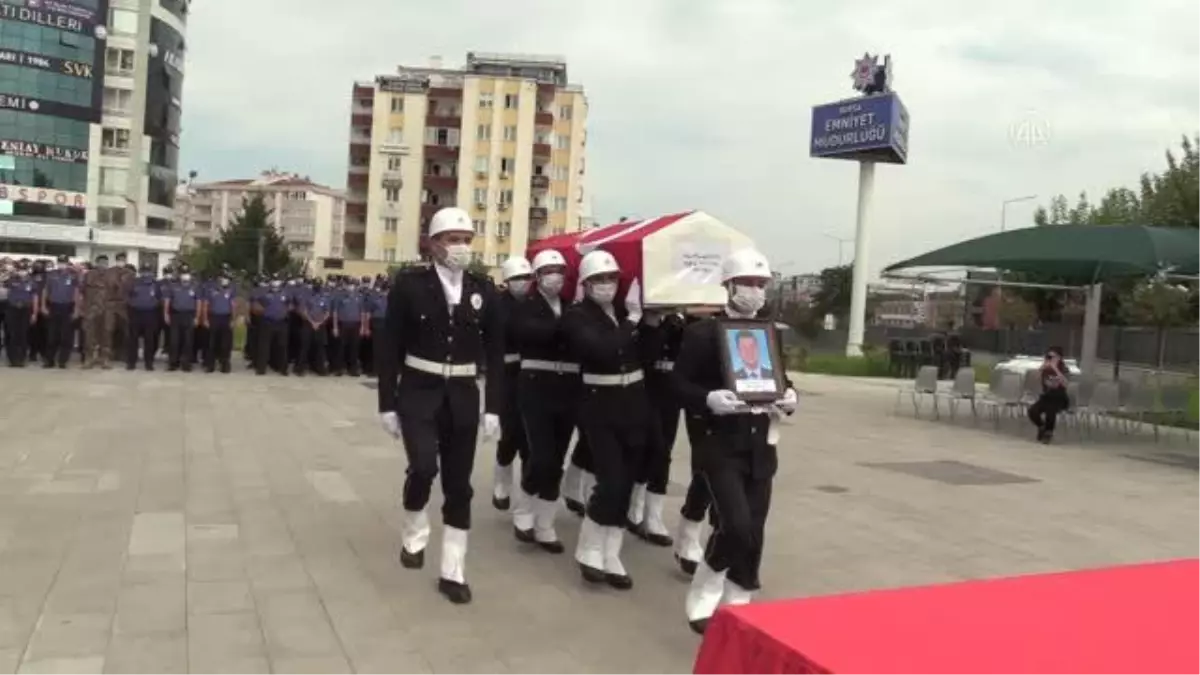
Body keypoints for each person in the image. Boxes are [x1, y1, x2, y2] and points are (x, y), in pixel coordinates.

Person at [376, 206, 504, 605]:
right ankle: (414, 530)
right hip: (418, 389)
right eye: (453, 240)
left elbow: (497, 352)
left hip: (464, 393)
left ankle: (453, 569)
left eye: (466, 240)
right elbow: (389, 345)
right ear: (433, 244)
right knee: (424, 466)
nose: (461, 247)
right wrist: (387, 402)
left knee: (459, 485)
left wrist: (494, 406)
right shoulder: (410, 285)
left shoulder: (483, 289)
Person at [673, 249, 798, 634]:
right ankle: (707, 584)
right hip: (718, 442)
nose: (755, 291)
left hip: (761, 442)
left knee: (755, 527)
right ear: (728, 285)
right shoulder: (701, 333)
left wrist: (791, 397)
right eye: (748, 283)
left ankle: (740, 593)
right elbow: (678, 384)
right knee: (736, 524)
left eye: (761, 284)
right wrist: (707, 399)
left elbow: (780, 378)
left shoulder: (770, 332)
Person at [565, 250, 649, 591]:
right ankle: (588, 549)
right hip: (600, 407)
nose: (606, 285)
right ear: (585, 284)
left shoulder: (623, 311)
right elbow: (600, 350)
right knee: (610, 481)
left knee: (627, 484)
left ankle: (611, 553)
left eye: (611, 278)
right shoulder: (576, 316)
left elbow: (647, 352)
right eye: (598, 280)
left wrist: (654, 321)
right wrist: (632, 322)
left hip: (635, 405)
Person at [509, 250, 580, 552]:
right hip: (535, 387)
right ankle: (524, 510)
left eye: (560, 270)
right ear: (537, 275)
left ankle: (545, 523)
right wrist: (571, 323)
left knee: (558, 459)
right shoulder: (525, 305)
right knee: (541, 455)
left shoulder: (570, 306)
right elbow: (533, 334)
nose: (556, 276)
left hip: (567, 389)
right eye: (549, 270)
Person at [626, 308, 687, 547]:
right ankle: (635, 506)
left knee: (664, 451)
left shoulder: (682, 322)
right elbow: (643, 354)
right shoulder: (641, 320)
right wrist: (653, 323)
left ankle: (653, 515)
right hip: (642, 388)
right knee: (649, 447)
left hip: (670, 392)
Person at [492, 255, 533, 513]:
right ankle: (501, 482)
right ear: (507, 281)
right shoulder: (497, 305)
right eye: (517, 278)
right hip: (506, 373)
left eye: (526, 277)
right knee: (509, 434)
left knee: (529, 437)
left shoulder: (535, 303)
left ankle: (527, 492)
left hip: (532, 374)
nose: (522, 282)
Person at [41, 255, 80, 369]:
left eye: (64, 262)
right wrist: (43, 306)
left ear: (68, 263)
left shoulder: (73, 275)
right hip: (53, 306)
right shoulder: (51, 275)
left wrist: (77, 309)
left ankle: (63, 361)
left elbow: (77, 293)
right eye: (60, 262)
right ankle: (49, 360)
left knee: (66, 336)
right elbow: (45, 290)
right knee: (52, 335)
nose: (61, 264)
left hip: (67, 307)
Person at [1028, 347, 1070, 443]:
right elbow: (1035, 381)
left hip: (1060, 397)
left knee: (1050, 410)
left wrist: (1055, 368)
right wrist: (1041, 368)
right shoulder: (1046, 368)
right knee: (1032, 411)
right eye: (1048, 356)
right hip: (1047, 396)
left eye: (1053, 357)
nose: (1050, 359)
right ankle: (1042, 426)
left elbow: (1066, 384)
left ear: (1059, 358)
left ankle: (1048, 432)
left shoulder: (1063, 368)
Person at [164, 263, 200, 372]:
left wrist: (197, 317)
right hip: (176, 315)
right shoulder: (173, 285)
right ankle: (173, 363)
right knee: (174, 341)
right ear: (179, 274)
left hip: (189, 315)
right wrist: (166, 314)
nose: (185, 276)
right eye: (183, 273)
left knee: (188, 341)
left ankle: (186, 364)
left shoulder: (195, 286)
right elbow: (167, 301)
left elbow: (198, 302)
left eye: (187, 273)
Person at [126, 262, 161, 371]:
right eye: (144, 271)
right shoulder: (134, 282)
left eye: (148, 271)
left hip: (150, 314)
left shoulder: (156, 284)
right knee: (133, 339)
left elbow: (160, 298)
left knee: (149, 340)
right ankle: (131, 362)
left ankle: (149, 363)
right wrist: (132, 305)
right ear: (140, 272)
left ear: (152, 272)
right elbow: (128, 296)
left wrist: (154, 304)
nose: (146, 273)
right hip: (136, 313)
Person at [202, 269, 237, 373]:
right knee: (211, 342)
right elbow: (205, 304)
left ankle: (225, 364)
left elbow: (233, 305)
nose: (224, 280)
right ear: (218, 278)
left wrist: (233, 319)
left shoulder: (232, 289)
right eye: (222, 277)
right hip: (214, 317)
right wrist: (205, 318)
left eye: (226, 278)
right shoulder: (211, 288)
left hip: (226, 317)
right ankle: (210, 365)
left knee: (226, 343)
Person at [255, 275, 291, 376]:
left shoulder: (285, 293)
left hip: (281, 322)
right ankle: (261, 368)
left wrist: (285, 311)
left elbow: (290, 304)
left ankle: (282, 368)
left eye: (277, 280)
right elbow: (256, 304)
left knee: (282, 346)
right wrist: (261, 311)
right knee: (264, 346)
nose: (276, 282)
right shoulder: (265, 292)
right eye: (274, 280)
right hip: (268, 322)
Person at [4, 260, 37, 366]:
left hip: (25, 310)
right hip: (12, 309)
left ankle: (21, 359)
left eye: (24, 270)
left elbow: (35, 298)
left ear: (27, 270)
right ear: (16, 270)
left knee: (23, 335)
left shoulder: (32, 281)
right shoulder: (11, 280)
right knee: (12, 335)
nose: (22, 272)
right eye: (19, 270)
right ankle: (13, 360)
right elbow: (6, 291)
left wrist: (34, 313)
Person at [297, 277, 332, 376]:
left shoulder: (325, 297)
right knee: (305, 347)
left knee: (320, 348)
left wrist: (319, 323)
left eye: (319, 284)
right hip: (308, 324)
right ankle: (300, 369)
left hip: (321, 326)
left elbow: (327, 312)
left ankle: (320, 369)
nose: (317, 286)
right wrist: (312, 322)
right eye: (316, 284)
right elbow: (304, 311)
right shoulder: (307, 296)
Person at [332, 275, 367, 377]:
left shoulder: (359, 296)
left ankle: (353, 369)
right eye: (349, 284)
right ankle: (339, 368)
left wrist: (362, 327)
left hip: (356, 325)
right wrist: (335, 327)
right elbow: (335, 312)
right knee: (341, 348)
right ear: (345, 285)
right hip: (343, 324)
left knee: (354, 348)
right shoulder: (339, 295)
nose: (350, 287)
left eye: (352, 285)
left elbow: (362, 313)